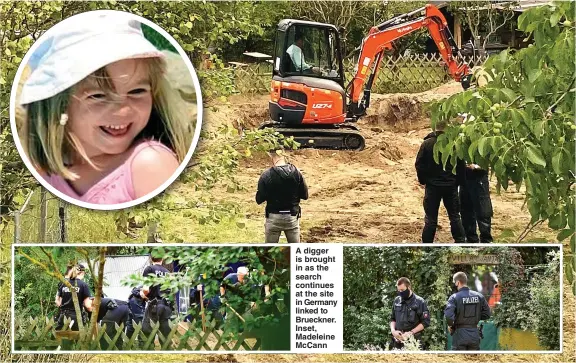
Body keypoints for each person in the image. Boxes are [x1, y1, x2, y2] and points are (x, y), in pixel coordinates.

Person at [18, 11, 193, 205]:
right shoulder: (46, 172)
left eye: (136, 91)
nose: (123, 111)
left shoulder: (149, 165)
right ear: (58, 106)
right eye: (98, 95)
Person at [415, 119, 466, 243]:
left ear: (434, 128)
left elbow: (419, 164)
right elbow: (461, 166)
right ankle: (460, 242)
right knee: (454, 217)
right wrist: (458, 182)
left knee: (431, 219)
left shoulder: (427, 144)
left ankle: (427, 246)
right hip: (450, 186)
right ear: (448, 129)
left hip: (432, 187)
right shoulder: (454, 144)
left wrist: (424, 180)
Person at [256, 150, 309, 243]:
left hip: (273, 217)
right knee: (295, 252)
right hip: (292, 217)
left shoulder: (266, 175)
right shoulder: (296, 173)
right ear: (283, 155)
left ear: (271, 156)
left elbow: (259, 199)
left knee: (269, 252)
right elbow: (305, 196)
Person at [445, 271, 491, 351]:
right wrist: (474, 319)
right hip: (474, 334)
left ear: (457, 282)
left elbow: (449, 316)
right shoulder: (479, 296)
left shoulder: (454, 297)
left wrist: (451, 326)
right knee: (473, 359)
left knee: (459, 359)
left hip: (459, 334)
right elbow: (487, 314)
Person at [389, 277, 431, 350]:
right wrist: (393, 331)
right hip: (397, 341)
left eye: (402, 290)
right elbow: (393, 319)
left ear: (409, 287)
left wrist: (410, 333)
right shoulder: (397, 300)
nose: (400, 292)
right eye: (398, 290)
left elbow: (425, 322)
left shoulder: (420, 302)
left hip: (413, 341)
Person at [140, 255, 172, 344]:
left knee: (147, 331)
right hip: (166, 306)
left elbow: (146, 289)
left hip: (154, 305)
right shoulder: (167, 272)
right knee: (165, 334)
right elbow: (170, 290)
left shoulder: (149, 269)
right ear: (162, 259)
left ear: (151, 259)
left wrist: (143, 294)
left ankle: (147, 353)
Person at [460, 163, 493, 243]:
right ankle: (471, 240)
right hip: (465, 176)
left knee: (483, 209)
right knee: (466, 210)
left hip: (479, 175)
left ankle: (486, 240)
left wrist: (476, 165)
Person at [55, 266, 93, 331]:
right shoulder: (83, 285)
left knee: (60, 337)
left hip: (63, 316)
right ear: (82, 273)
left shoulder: (64, 284)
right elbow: (88, 306)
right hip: (75, 316)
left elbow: (58, 302)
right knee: (75, 338)